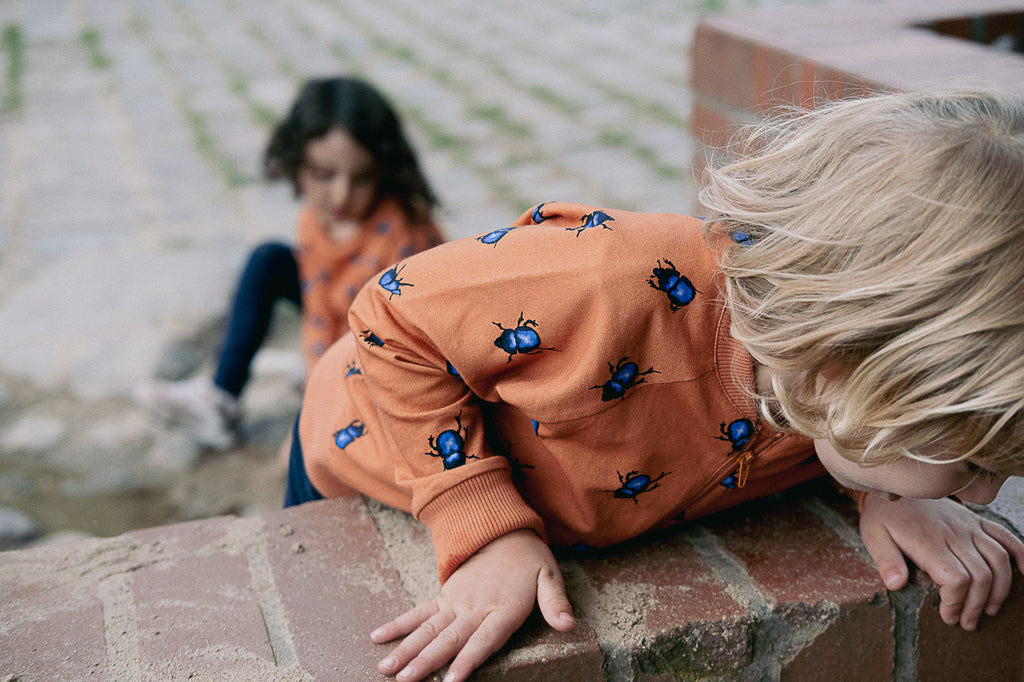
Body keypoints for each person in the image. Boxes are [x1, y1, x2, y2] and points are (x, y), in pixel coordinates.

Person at [288, 89, 1024, 682]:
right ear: (843, 365)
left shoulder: (814, 372)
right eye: (973, 462)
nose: (986, 494)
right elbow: (392, 311)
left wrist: (884, 491)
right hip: (359, 448)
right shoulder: (607, 282)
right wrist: (483, 528)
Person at [136, 76, 443, 450]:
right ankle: (221, 398)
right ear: (297, 162)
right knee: (268, 260)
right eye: (324, 174)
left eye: (361, 178)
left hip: (388, 348)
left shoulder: (404, 238)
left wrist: (311, 422)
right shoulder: (314, 221)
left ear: (383, 170)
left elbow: (402, 349)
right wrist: (314, 391)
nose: (341, 194)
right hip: (336, 318)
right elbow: (317, 311)